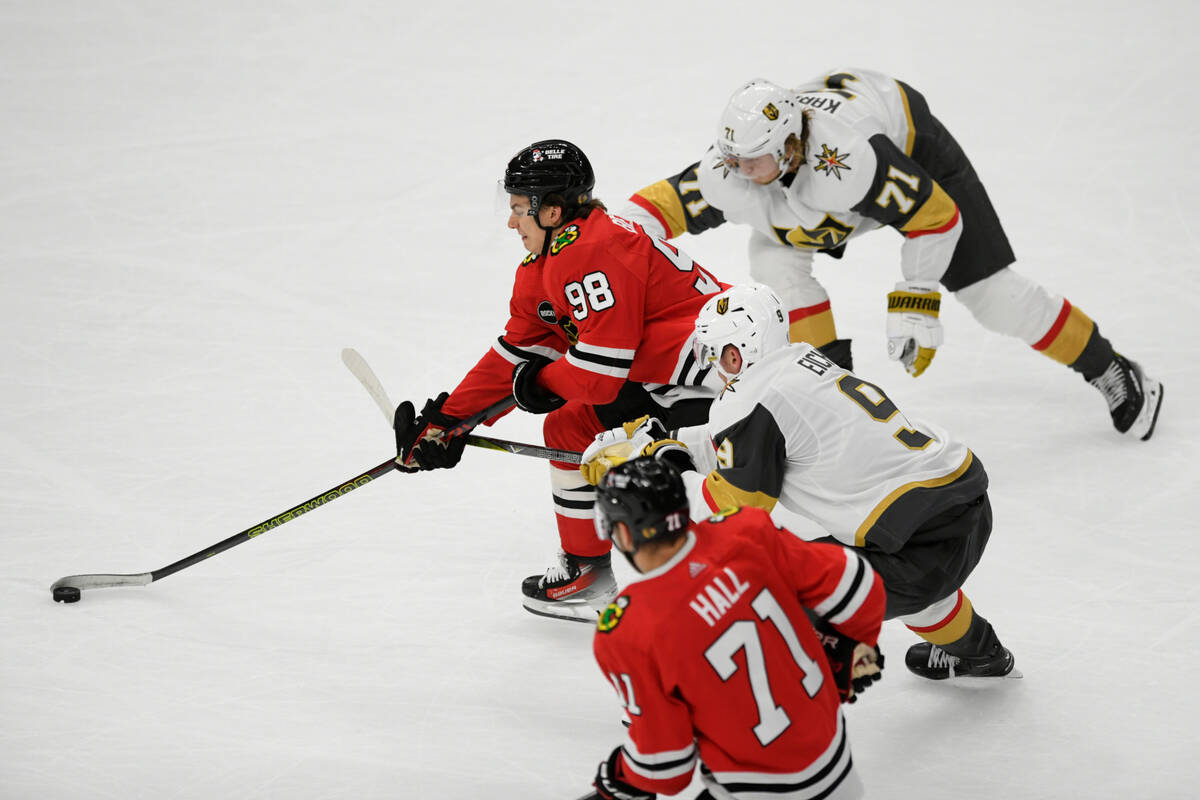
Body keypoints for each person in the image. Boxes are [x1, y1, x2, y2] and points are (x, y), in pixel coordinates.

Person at [621, 68, 1163, 441]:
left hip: (906, 144)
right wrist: (606, 253)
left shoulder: (851, 159)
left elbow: (936, 217)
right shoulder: (736, 166)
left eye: (752, 159)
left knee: (993, 297)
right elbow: (651, 210)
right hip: (814, 194)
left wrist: (915, 302)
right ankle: (832, 407)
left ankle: (1110, 366)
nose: (738, 171)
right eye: (732, 158)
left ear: (789, 144)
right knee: (774, 266)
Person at [583, 283, 1019, 681]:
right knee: (896, 582)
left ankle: (732, 720)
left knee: (761, 592)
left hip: (918, 544)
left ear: (737, 353)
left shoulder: (751, 400)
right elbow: (746, 443)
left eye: (715, 353)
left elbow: (735, 513)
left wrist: (663, 469)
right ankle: (981, 652)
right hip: (963, 505)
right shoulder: (798, 364)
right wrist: (666, 439)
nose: (713, 365)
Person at [392, 139, 729, 623]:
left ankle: (728, 586)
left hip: (718, 383)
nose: (510, 222)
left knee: (674, 465)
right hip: (668, 377)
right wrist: (448, 421)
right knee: (569, 427)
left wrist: (541, 381)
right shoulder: (552, 261)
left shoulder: (593, 250)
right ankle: (588, 575)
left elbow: (600, 375)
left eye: (517, 209)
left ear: (550, 210)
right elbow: (517, 355)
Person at [584, 457, 886, 800]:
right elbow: (860, 585)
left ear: (622, 532)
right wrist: (844, 647)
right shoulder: (745, 530)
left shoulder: (630, 629)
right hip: (837, 769)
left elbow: (665, 768)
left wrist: (618, 780)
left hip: (754, 789)